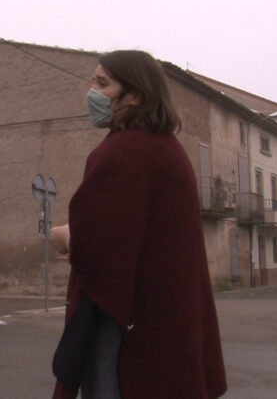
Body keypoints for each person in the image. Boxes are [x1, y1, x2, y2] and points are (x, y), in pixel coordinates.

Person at [50, 50, 227, 399]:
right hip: (169, 326)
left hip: (127, 327)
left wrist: (66, 238)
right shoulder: (169, 150)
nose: (91, 92)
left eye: (102, 83)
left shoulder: (122, 151)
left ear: (136, 96)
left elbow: (101, 250)